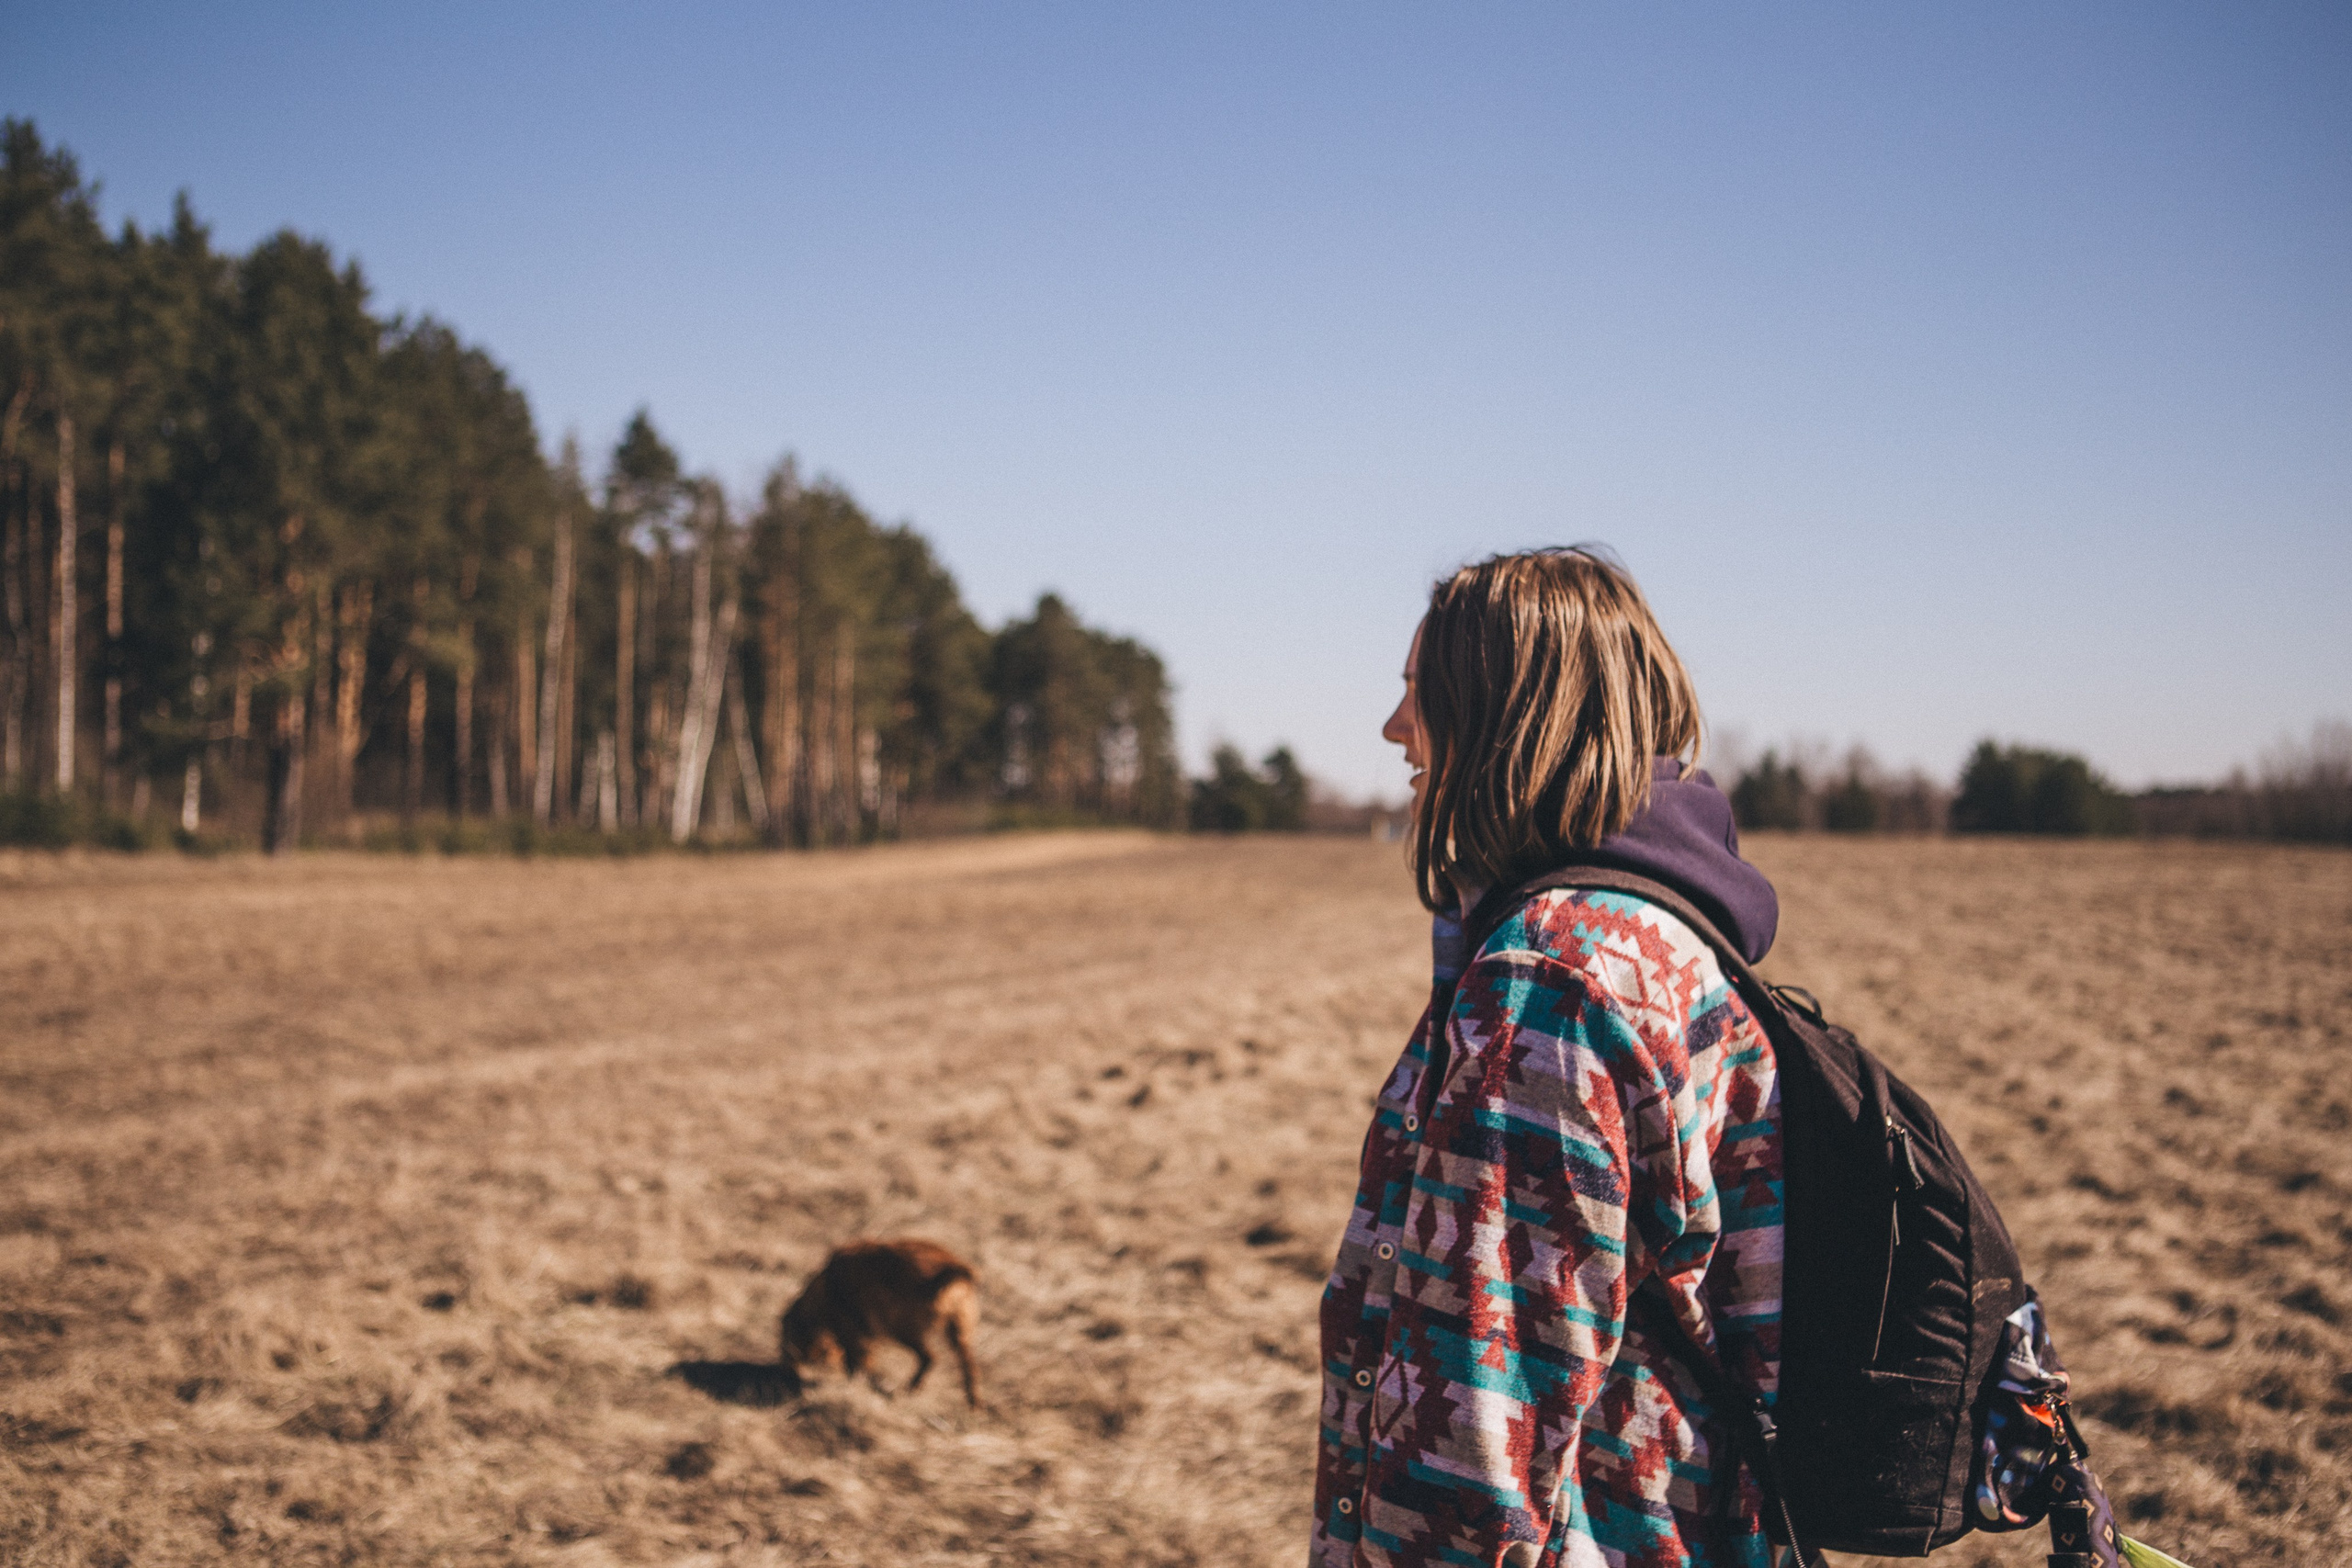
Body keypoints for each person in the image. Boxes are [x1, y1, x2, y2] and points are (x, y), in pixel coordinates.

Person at [1312, 547, 1786, 1568]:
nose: (1395, 727)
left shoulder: (1547, 982)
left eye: (1422, 692)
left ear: (1506, 716)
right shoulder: (1656, 938)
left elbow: (1477, 1438)